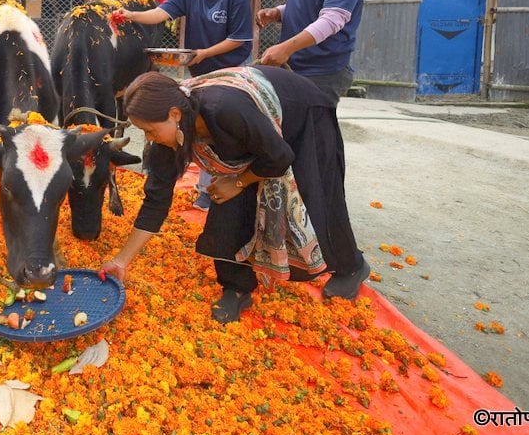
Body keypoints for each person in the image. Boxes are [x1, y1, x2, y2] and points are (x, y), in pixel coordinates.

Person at [100, 67, 371, 324]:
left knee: (317, 197)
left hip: (301, 114)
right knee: (227, 198)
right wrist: (121, 261)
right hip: (253, 132)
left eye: (150, 130)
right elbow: (155, 201)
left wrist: (240, 181)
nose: (148, 139)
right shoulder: (166, 141)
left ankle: (351, 266)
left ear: (174, 114)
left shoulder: (224, 109)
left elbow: (280, 156)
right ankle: (236, 288)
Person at [118, 0, 253, 209]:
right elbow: (163, 13)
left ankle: (225, 184)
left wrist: (204, 53)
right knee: (201, 125)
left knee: (222, 128)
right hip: (199, 70)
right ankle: (207, 186)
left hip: (230, 71)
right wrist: (133, 16)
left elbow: (238, 39)